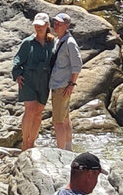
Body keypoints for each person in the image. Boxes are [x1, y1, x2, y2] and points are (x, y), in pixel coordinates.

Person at [12, 13, 54, 150]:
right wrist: (17, 74)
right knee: (30, 110)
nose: (38, 28)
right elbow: (17, 60)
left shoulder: (52, 42)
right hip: (28, 79)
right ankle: (25, 142)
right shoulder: (28, 42)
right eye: (36, 25)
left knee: (38, 112)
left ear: (47, 25)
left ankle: (32, 143)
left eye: (41, 26)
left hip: (44, 81)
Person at [49, 13, 82, 152]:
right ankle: (68, 149)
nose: (56, 26)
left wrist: (71, 84)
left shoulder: (69, 42)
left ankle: (60, 152)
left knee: (57, 121)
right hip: (59, 84)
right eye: (55, 23)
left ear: (67, 26)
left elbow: (77, 65)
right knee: (65, 118)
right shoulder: (59, 40)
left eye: (60, 24)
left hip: (61, 85)